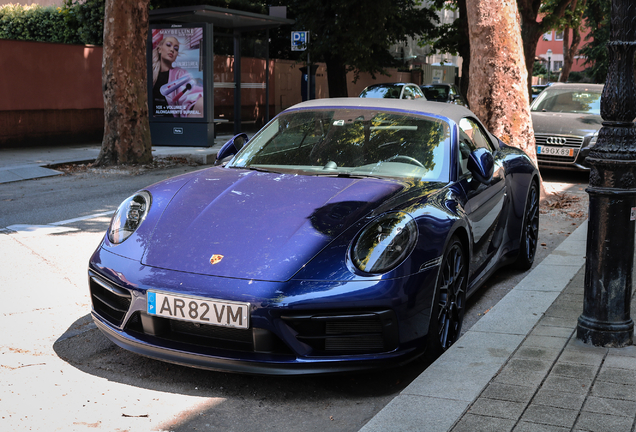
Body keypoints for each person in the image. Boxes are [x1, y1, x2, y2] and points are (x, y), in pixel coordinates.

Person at [151, 35, 204, 118]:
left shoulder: (180, 74)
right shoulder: (148, 73)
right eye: (168, 45)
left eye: (176, 49)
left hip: (171, 123)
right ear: (159, 49)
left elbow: (190, 95)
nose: (172, 49)